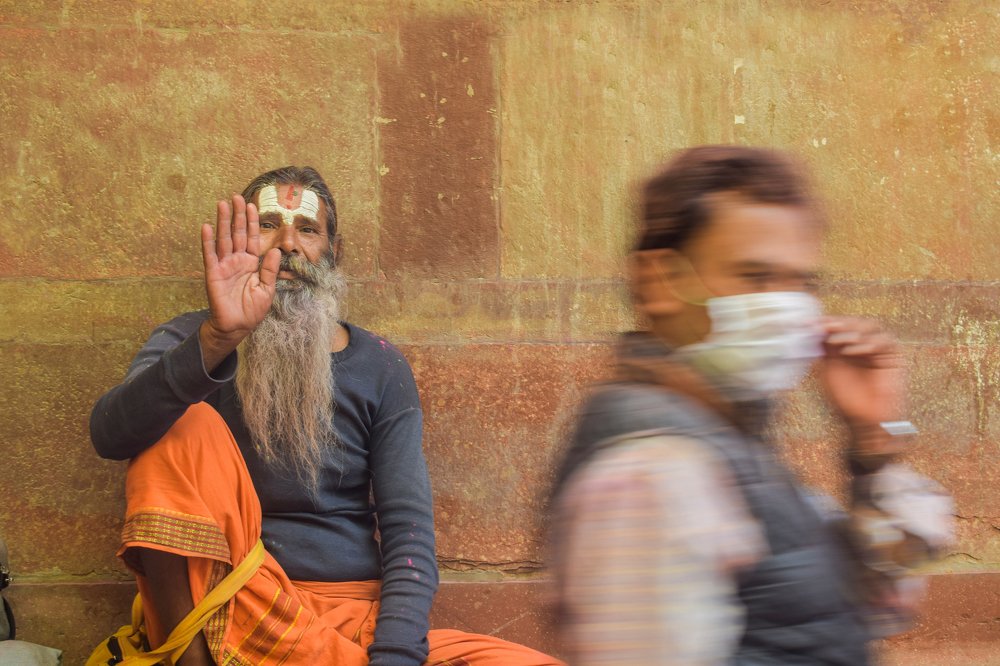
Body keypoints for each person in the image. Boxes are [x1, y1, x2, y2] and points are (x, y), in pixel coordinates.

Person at [91, 166, 561, 666]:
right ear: (240, 240)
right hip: (224, 608)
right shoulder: (192, 340)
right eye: (268, 224)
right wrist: (217, 341)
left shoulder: (380, 365)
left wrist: (396, 655)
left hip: (347, 618)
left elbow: (409, 532)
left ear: (334, 253)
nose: (289, 244)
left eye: (308, 230)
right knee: (182, 417)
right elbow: (111, 433)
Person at [547, 146, 953, 665]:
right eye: (755, 278)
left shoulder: (729, 436)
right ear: (660, 282)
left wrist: (872, 441)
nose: (788, 307)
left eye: (802, 282)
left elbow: (876, 599)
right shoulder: (647, 473)